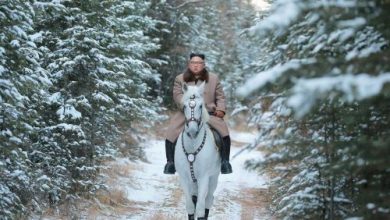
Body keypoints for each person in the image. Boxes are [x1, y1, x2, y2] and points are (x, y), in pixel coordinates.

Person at [163, 52, 233, 175]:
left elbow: (220, 97)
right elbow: (177, 95)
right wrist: (185, 105)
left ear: (204, 64)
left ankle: (225, 162)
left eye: (199, 63)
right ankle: (170, 163)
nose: (196, 65)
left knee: (224, 133)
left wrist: (221, 109)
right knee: (171, 131)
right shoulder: (180, 79)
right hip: (186, 113)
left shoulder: (213, 78)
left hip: (209, 114)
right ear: (189, 64)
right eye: (193, 63)